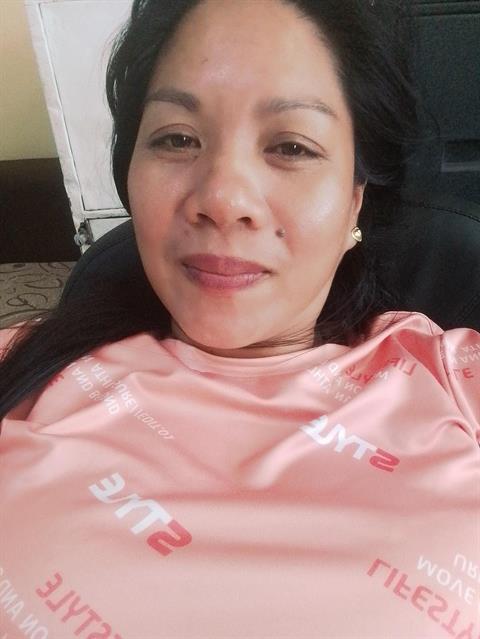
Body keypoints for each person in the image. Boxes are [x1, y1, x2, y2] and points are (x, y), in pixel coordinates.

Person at [0, 0, 478, 637]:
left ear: (355, 201)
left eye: (291, 146)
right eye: (177, 139)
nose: (222, 199)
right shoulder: (25, 369)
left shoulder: (454, 382)